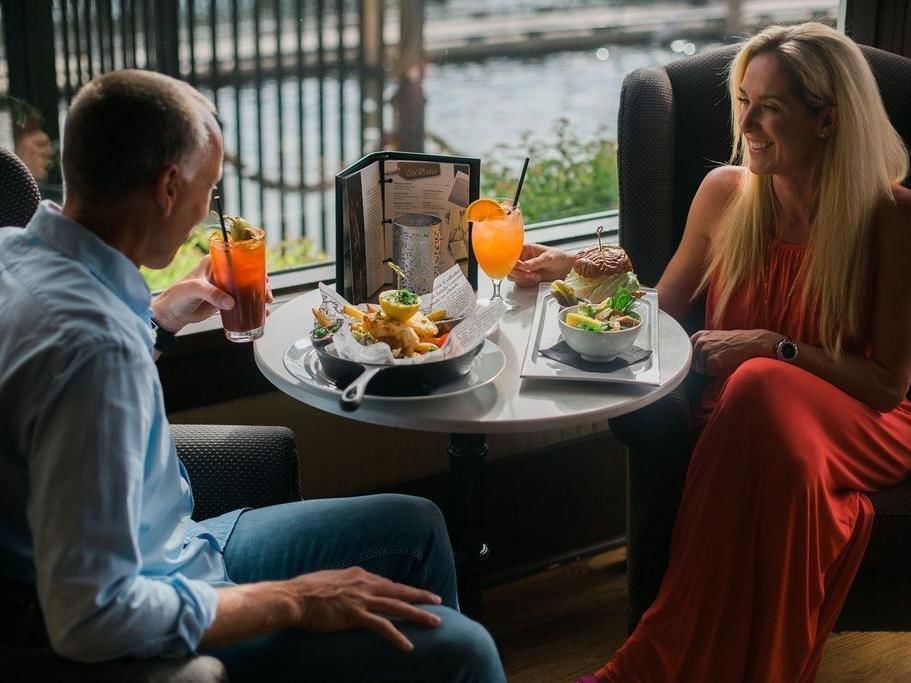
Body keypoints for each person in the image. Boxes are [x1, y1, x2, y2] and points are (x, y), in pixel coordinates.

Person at [0, 69, 505, 682]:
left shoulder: (17, 251)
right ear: (167, 186)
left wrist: (159, 318)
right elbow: (94, 616)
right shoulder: (93, 351)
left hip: (180, 542)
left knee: (417, 526)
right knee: (465, 649)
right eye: (208, 189)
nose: (206, 211)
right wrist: (292, 600)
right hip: (155, 609)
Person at [511, 23, 911, 682]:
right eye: (741, 101)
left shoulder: (892, 219)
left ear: (826, 120)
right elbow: (658, 313)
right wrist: (570, 270)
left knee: (758, 380)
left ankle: (645, 665)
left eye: (769, 106)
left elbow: (887, 385)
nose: (747, 122)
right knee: (766, 423)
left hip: (865, 421)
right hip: (745, 428)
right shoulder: (726, 196)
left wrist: (774, 348)